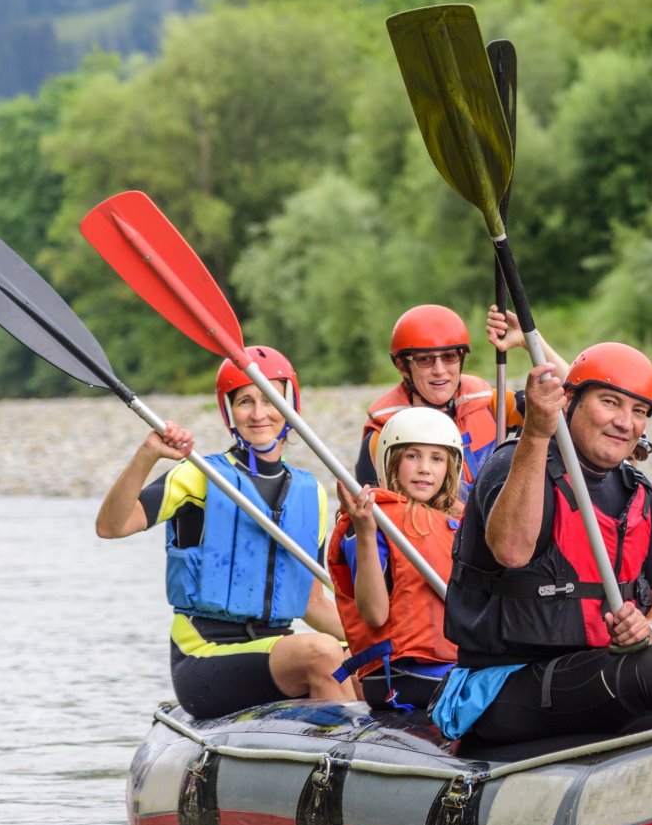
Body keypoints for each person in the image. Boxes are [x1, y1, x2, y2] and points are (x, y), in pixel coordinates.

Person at [434, 344, 652, 747]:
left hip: (598, 669)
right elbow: (512, 551)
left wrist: (650, 628)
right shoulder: (515, 463)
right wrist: (536, 432)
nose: (625, 422)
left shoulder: (634, 490)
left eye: (639, 411)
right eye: (610, 403)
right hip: (504, 684)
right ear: (569, 401)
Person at [93, 346, 348, 718]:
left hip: (274, 649)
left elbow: (312, 603)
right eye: (245, 401)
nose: (259, 413)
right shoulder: (200, 475)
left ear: (291, 405)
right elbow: (110, 526)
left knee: (359, 658)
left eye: (271, 399)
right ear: (229, 411)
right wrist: (148, 454)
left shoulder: (311, 495)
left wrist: (382, 640)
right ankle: (330, 755)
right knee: (323, 652)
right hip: (203, 657)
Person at [330, 407, 465, 710]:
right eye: (412, 456)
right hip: (402, 675)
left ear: (450, 467)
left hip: (453, 667)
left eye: (437, 458)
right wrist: (365, 533)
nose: (425, 468)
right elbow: (375, 615)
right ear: (390, 460)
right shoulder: (373, 520)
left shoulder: (459, 524)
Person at [357, 303, 525, 495]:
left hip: (495, 519)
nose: (439, 370)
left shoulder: (491, 403)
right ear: (403, 367)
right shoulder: (382, 436)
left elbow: (564, 410)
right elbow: (371, 514)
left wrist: (528, 341)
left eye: (449, 356)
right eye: (424, 359)